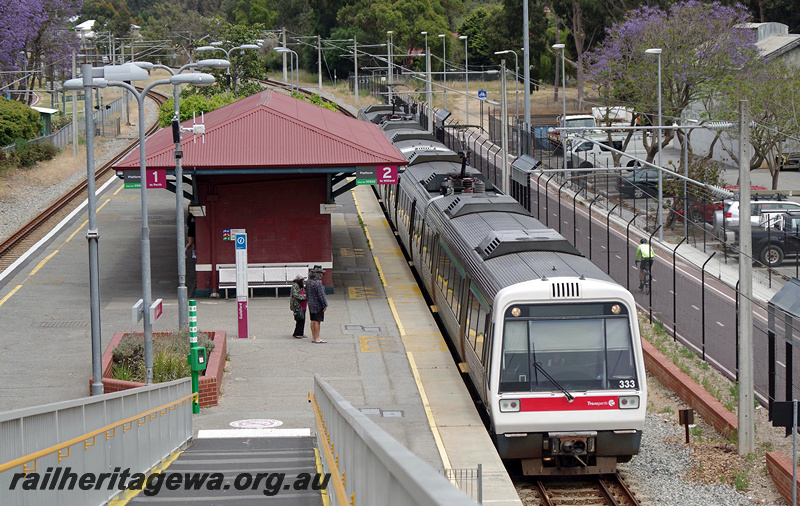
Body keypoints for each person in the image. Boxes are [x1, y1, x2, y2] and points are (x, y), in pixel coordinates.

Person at [306, 265, 328, 344]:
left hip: (310, 303)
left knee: (312, 320)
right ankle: (318, 338)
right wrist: (325, 305)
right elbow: (321, 295)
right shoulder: (318, 282)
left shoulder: (308, 281)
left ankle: (313, 337)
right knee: (317, 321)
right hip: (318, 304)